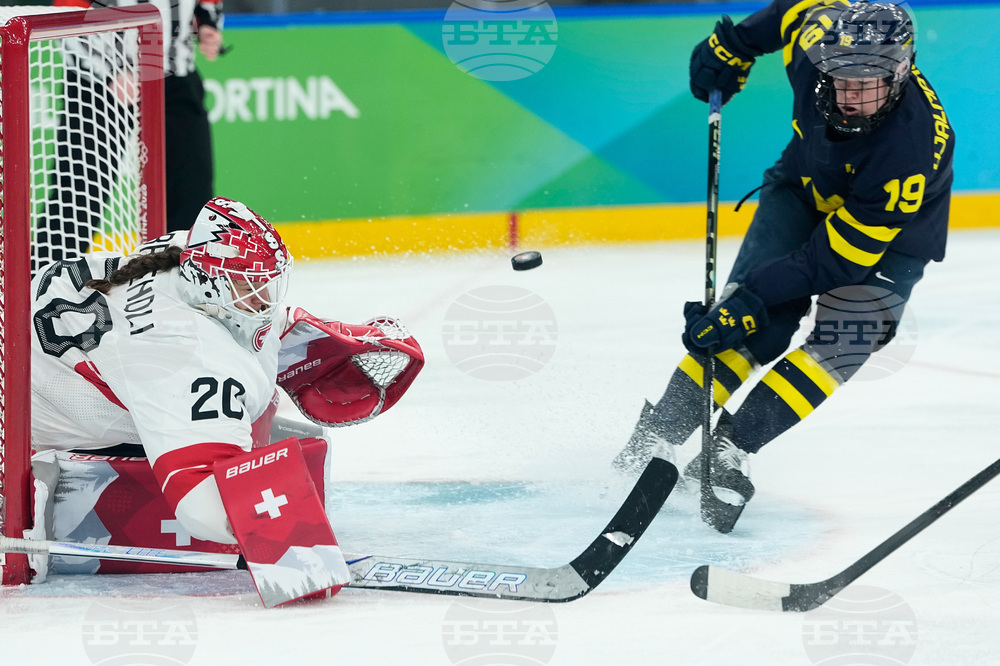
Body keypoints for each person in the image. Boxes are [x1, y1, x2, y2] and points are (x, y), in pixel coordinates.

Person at [612, 1, 954, 517]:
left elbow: (833, 263)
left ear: (901, 70)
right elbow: (795, 10)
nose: (851, 96)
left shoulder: (908, 149)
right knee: (756, 327)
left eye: (869, 84)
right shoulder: (813, 48)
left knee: (844, 338)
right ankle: (659, 433)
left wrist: (750, 296)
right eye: (842, 79)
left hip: (893, 234)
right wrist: (735, 45)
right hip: (804, 187)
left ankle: (733, 447)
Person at [30, 197, 424, 549]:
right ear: (209, 285)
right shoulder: (179, 358)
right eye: (248, 287)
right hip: (16, 410)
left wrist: (290, 333)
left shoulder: (184, 253)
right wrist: (293, 542)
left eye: (266, 286)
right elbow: (199, 503)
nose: (263, 300)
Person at [36, 0, 221, 271]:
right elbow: (68, 11)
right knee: (79, 193)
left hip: (174, 75)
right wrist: (111, 69)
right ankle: (40, 281)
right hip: (98, 82)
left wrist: (207, 22)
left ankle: (184, 278)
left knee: (191, 188)